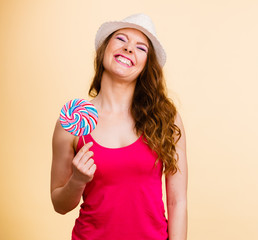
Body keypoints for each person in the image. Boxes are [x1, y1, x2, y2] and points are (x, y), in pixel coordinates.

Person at [50, 13, 188, 240]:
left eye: (141, 48)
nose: (129, 49)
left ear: (147, 65)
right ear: (104, 49)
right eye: (121, 39)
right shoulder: (73, 122)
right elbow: (59, 204)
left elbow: (177, 201)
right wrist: (76, 180)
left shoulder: (165, 118)